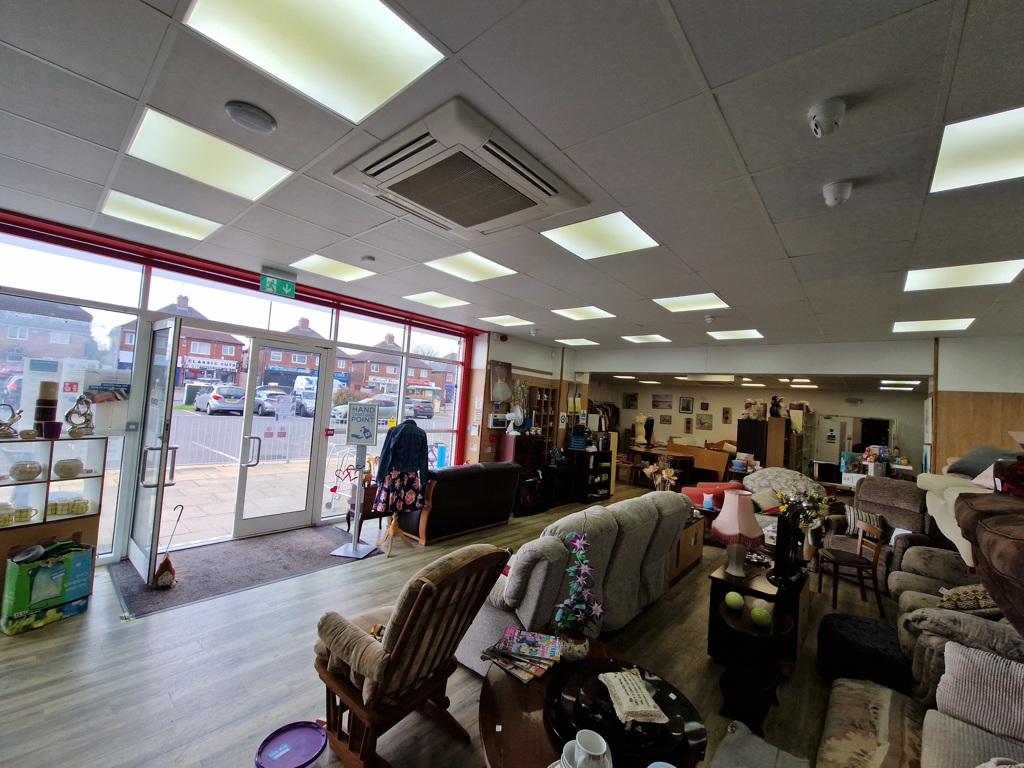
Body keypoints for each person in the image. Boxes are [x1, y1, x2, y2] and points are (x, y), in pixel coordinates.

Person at [373, 418, 430, 517]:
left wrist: (379, 478)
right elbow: (424, 459)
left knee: (393, 506)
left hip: (394, 475)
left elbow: (386, 455)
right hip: (411, 476)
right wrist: (424, 480)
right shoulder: (421, 433)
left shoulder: (393, 430)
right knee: (406, 507)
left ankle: (393, 524)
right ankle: (398, 524)